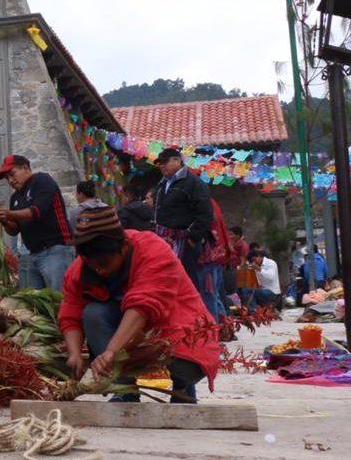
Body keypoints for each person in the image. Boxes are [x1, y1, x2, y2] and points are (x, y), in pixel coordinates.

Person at [59, 205, 219, 403]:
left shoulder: (153, 250)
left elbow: (142, 307)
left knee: (188, 363)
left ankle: (183, 388)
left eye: (105, 263)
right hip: (126, 327)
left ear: (124, 247)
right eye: (93, 265)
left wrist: (111, 352)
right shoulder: (81, 268)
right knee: (93, 314)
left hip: (171, 323)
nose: (99, 271)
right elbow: (71, 311)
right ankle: (124, 388)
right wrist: (74, 354)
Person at [0, 155, 73, 291]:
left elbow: (36, 211)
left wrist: (9, 214)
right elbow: (14, 230)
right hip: (32, 254)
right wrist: (5, 221)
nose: (11, 181)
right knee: (33, 302)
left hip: (55, 250)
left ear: (25, 167)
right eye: (7, 178)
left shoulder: (42, 180)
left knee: (59, 299)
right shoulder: (15, 198)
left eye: (12, 175)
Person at [151, 147, 213, 281]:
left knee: (186, 281)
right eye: (159, 162)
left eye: (165, 162)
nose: (161, 165)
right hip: (164, 240)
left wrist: (193, 237)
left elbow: (205, 213)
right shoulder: (163, 183)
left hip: (185, 242)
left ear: (177, 160)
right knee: (166, 279)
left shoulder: (194, 183)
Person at [221, 225, 247, 309]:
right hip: (227, 268)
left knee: (233, 292)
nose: (230, 236)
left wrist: (238, 271)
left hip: (234, 269)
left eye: (232, 234)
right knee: (228, 290)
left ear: (238, 235)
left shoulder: (243, 245)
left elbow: (243, 261)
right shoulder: (232, 244)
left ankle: (239, 308)